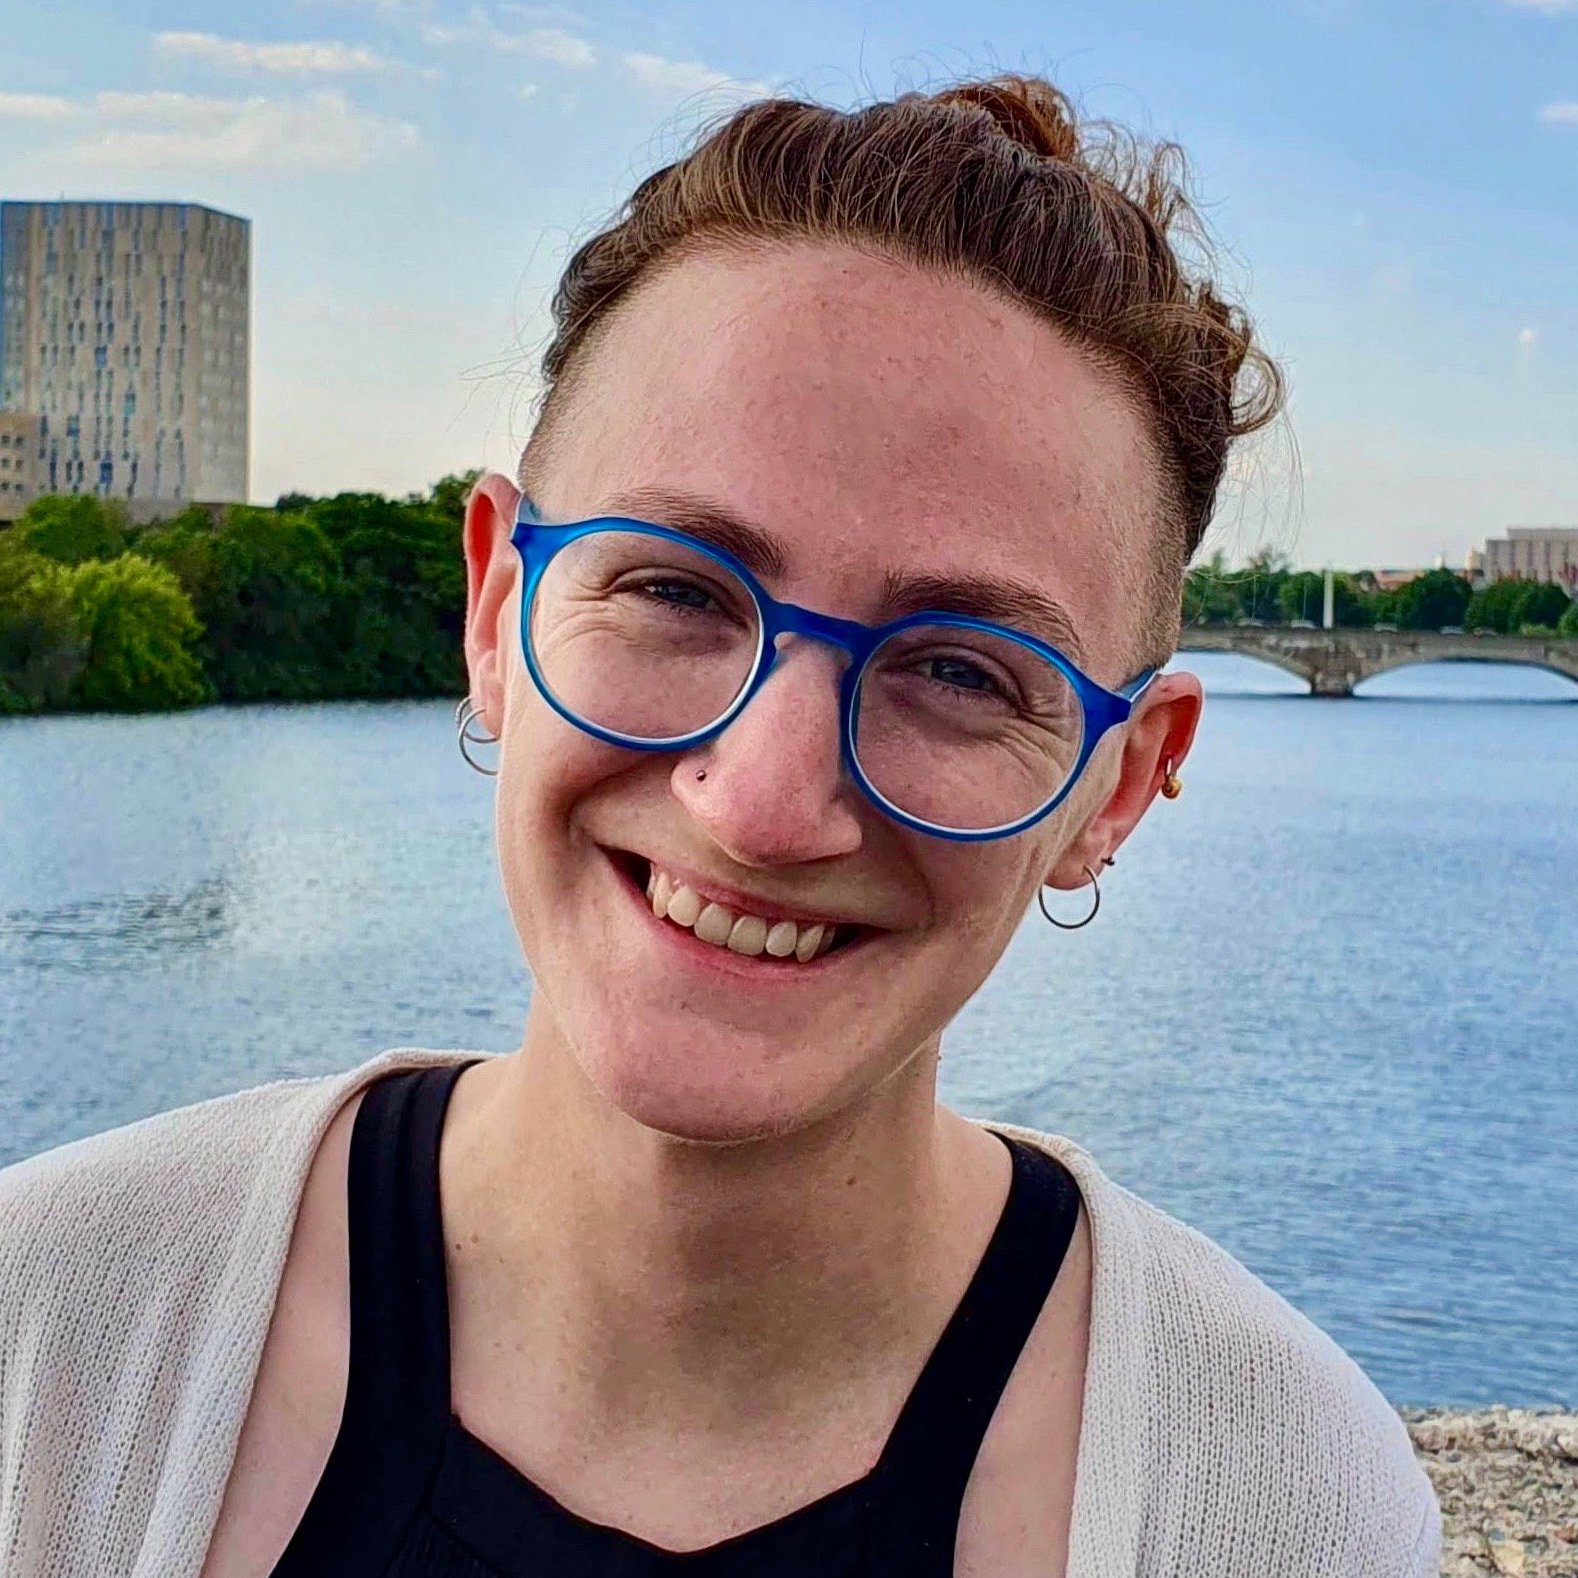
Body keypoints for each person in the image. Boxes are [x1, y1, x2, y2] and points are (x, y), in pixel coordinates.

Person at [0, 74, 1440, 1577]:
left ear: (1118, 786)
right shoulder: (45, 1342)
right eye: (677, 588)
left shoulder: (1286, 1505)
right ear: (496, 608)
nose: (760, 802)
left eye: (958, 670)